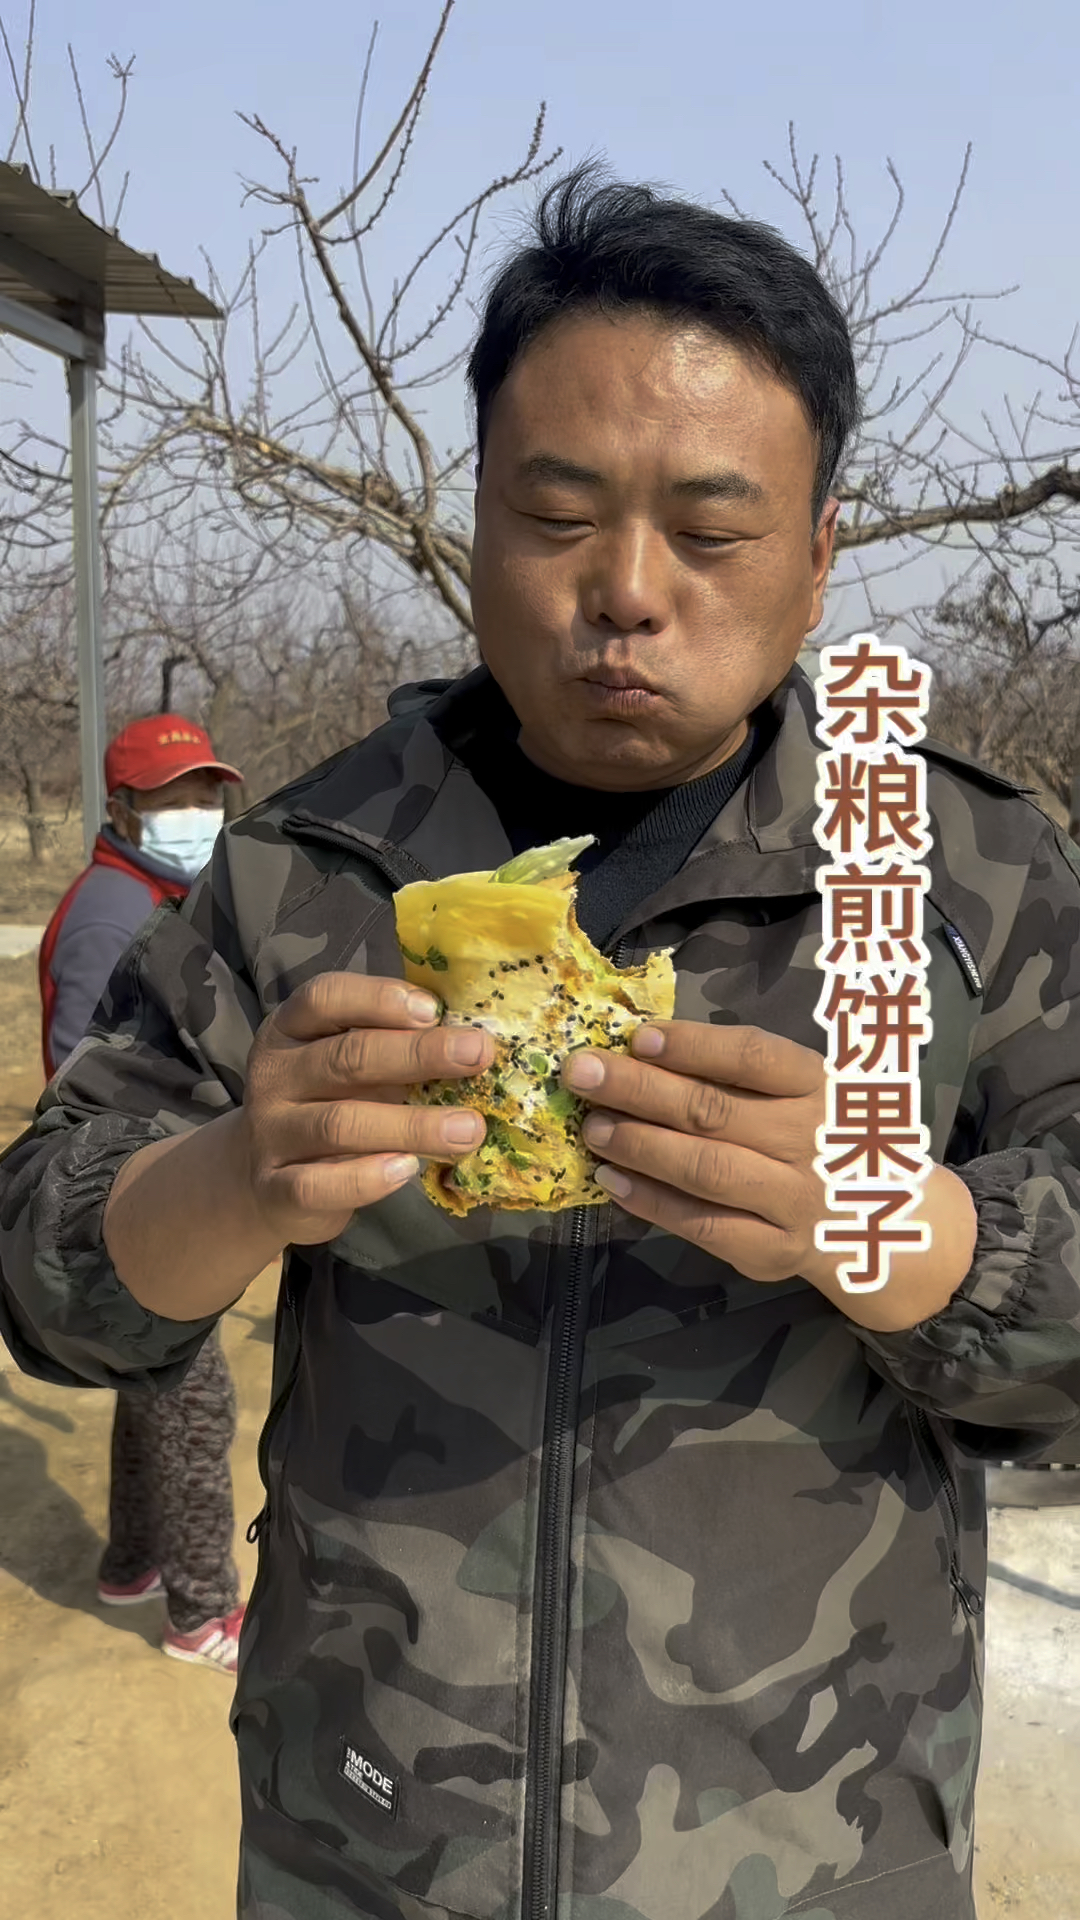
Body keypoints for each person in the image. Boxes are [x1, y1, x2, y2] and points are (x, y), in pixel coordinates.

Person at [2, 166, 1080, 1919]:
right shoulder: (306, 868)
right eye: (557, 513)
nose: (626, 592)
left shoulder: (947, 873)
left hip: (811, 1851)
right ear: (481, 513)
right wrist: (231, 1176)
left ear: (816, 564)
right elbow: (53, 1285)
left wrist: (900, 1227)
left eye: (714, 532)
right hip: (370, 1835)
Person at [36, 714, 248, 1672]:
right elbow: (79, 1071)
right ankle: (202, 1613)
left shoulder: (165, 895)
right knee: (197, 1402)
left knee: (150, 1381)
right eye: (174, 798)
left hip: (159, 1180)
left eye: (207, 794)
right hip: (140, 1194)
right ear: (123, 806)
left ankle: (132, 1560)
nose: (197, 812)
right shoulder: (112, 914)